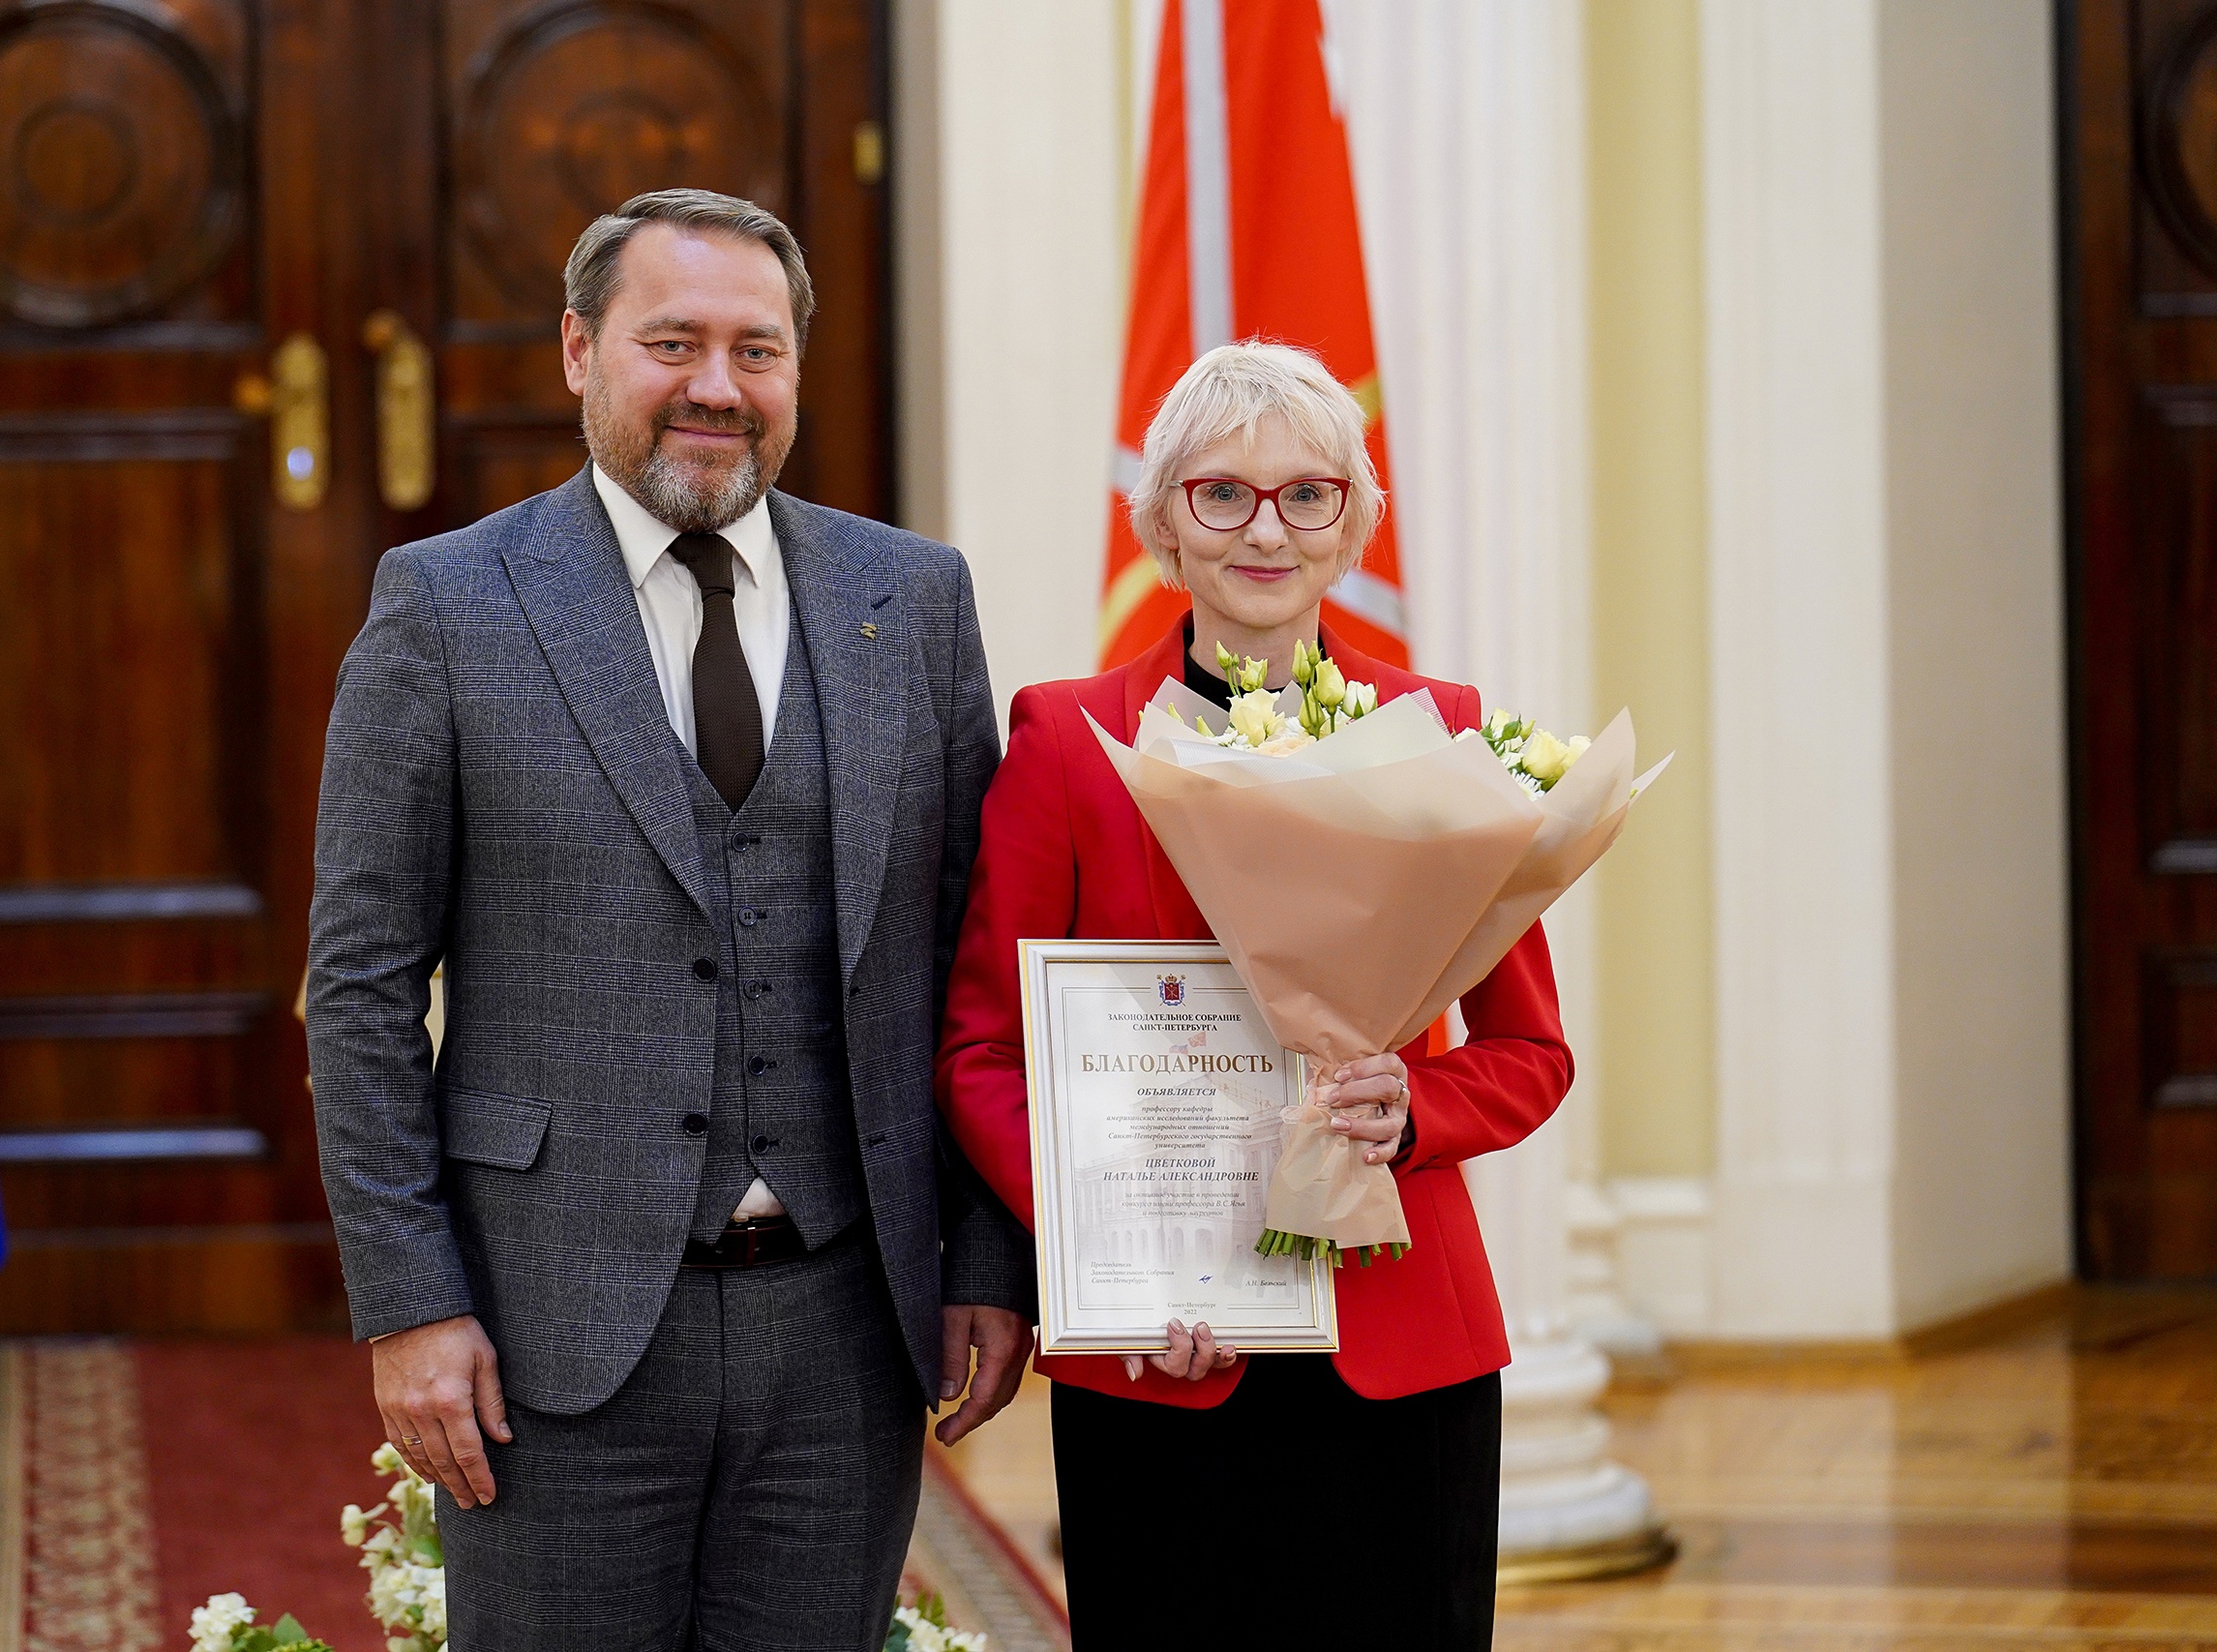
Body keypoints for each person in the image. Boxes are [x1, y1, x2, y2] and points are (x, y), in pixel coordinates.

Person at [307, 188, 1035, 1652]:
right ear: (579, 351)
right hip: (546, 1327)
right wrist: (409, 1305)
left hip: (847, 1330)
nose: (718, 386)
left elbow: (974, 964)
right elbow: (363, 988)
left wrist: (990, 1262)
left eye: (757, 350)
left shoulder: (915, 597)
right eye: (673, 341)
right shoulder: (447, 607)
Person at [935, 341, 1573, 1648]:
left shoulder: (1443, 731)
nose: (1264, 527)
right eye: (1221, 492)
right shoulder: (1071, 740)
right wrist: (1108, 1249)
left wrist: (1416, 1109)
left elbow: (1531, 1052)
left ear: (1354, 520)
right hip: (1164, 1345)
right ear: (1164, 518)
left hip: (1403, 1340)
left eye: (1307, 493)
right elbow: (982, 1051)